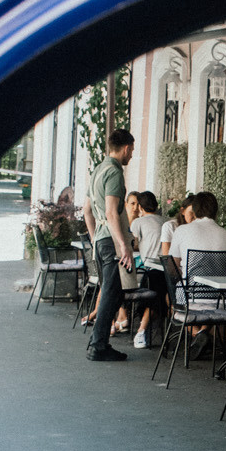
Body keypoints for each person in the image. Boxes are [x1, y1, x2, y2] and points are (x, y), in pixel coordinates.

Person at [83, 130, 135, 362]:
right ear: (125, 148)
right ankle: (98, 345)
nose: (131, 155)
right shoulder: (114, 172)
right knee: (112, 294)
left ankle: (99, 341)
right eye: (132, 150)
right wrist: (122, 245)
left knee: (111, 292)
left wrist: (96, 237)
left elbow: (87, 210)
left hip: (102, 239)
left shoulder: (97, 171)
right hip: (112, 239)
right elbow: (112, 212)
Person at [127, 191, 166, 349]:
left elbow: (132, 244)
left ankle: (141, 330)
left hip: (149, 268)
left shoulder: (139, 222)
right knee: (159, 293)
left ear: (141, 207)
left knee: (153, 291)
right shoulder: (166, 221)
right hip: (167, 269)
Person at [166, 190, 226, 270]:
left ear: (194, 211)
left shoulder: (182, 230)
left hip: (190, 282)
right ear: (216, 212)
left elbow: (172, 267)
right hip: (221, 282)